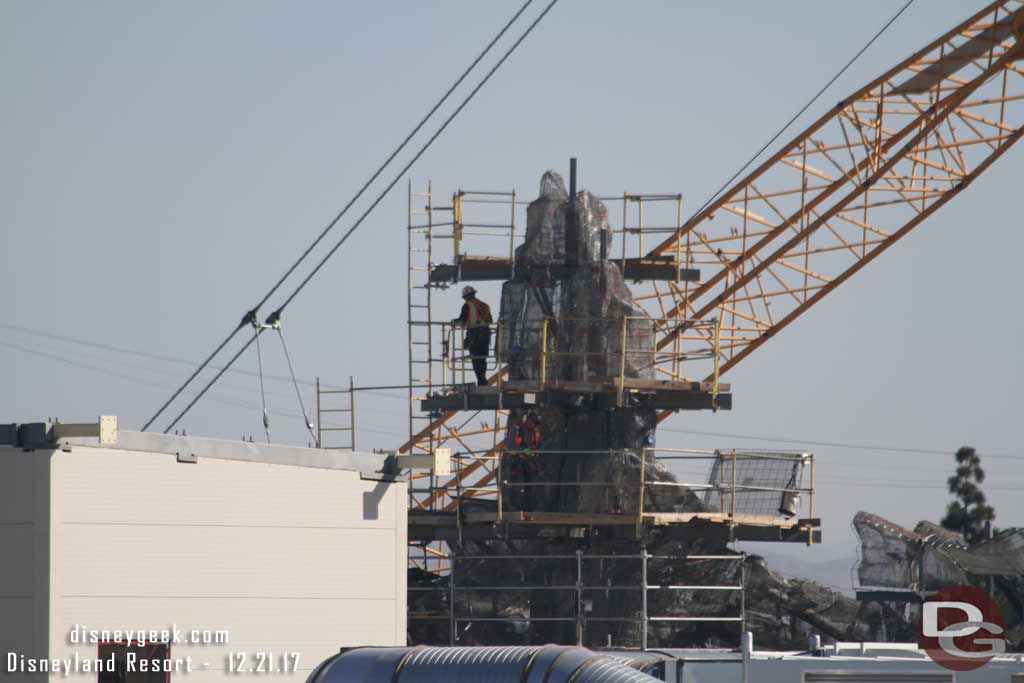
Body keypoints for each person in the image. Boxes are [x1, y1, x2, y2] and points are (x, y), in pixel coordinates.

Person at [452, 285, 492, 386]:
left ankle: (481, 381)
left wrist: (453, 322)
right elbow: (490, 320)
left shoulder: (468, 305)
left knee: (476, 359)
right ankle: (483, 380)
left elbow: (462, 320)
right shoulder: (484, 305)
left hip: (475, 335)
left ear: (466, 297)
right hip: (486, 335)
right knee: (482, 359)